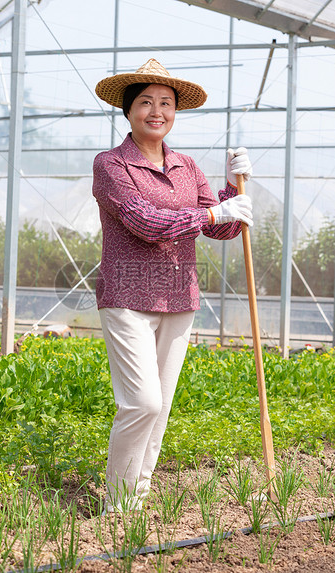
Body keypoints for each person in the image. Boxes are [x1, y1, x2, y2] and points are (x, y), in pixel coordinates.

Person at [92, 58, 254, 512]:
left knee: (159, 409)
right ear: (128, 111)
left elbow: (218, 229)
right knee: (141, 402)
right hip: (127, 296)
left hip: (179, 296)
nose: (156, 111)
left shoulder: (186, 166)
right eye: (145, 102)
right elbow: (145, 223)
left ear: (176, 112)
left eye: (166, 103)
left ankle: (134, 503)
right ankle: (117, 505)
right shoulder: (111, 165)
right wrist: (209, 213)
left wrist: (230, 193)